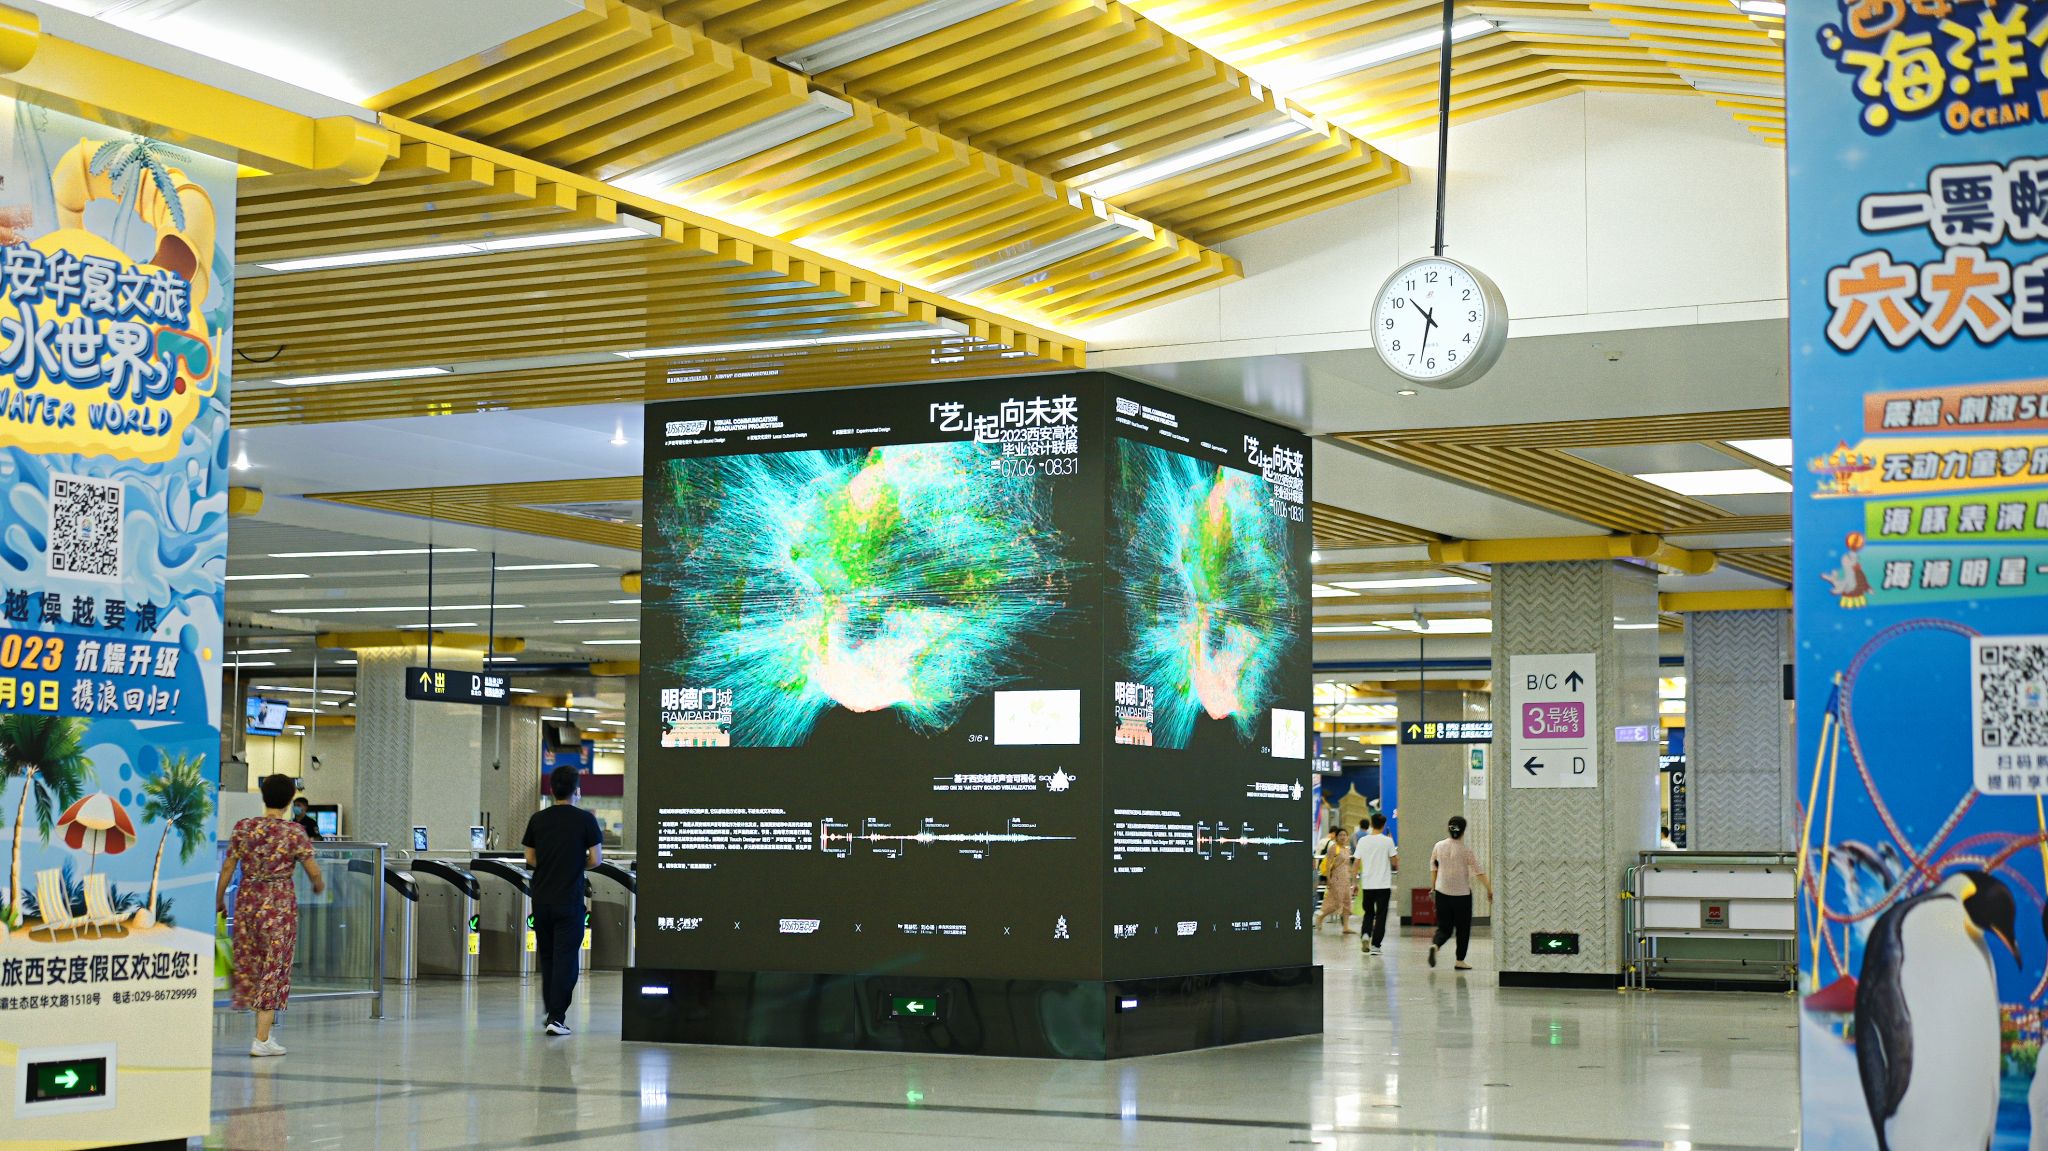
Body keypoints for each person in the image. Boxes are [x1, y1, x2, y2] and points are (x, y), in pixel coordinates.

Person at [217, 773, 324, 1057]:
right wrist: (318, 885)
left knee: (252, 964)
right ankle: (262, 1038)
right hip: (279, 907)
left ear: (264, 797)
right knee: (273, 968)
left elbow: (228, 867)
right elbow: (313, 870)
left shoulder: (244, 828)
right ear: (290, 801)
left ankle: (264, 1034)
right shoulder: (294, 832)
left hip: (247, 903)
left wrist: (219, 898)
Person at [523, 765, 602, 1036]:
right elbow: (596, 859)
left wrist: (551, 865)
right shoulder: (586, 820)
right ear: (577, 791)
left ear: (551, 790)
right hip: (569, 900)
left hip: (541, 899)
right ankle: (557, 1018)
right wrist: (575, 865)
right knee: (566, 958)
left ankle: (550, 1012)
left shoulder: (538, 819)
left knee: (548, 957)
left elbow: (530, 858)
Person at [1427, 815, 1492, 971]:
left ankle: (1436, 945)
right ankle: (1460, 960)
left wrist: (1433, 888)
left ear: (1448, 828)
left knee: (1444, 928)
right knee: (1463, 929)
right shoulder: (1466, 850)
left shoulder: (1438, 846)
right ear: (1463, 830)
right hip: (1462, 896)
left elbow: (1434, 868)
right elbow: (1479, 871)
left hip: (1442, 893)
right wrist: (1489, 889)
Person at [1355, 813, 1398, 955]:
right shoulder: (1388, 841)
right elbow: (1395, 862)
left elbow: (1356, 863)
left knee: (1368, 913)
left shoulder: (1363, 841)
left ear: (1372, 824)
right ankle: (1375, 946)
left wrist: (1354, 882)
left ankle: (1366, 934)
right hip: (1383, 884)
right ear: (1383, 825)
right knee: (1381, 915)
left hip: (1368, 884)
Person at [1313, 827, 1357, 934]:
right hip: (1336, 879)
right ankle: (1321, 917)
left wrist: (1352, 879)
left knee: (1347, 903)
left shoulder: (1347, 849)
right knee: (1336, 903)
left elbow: (1348, 865)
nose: (1343, 837)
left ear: (1347, 837)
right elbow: (1328, 864)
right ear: (1336, 837)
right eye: (1340, 835)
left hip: (1346, 879)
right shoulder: (1333, 848)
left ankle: (1345, 927)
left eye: (1344, 835)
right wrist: (1328, 879)